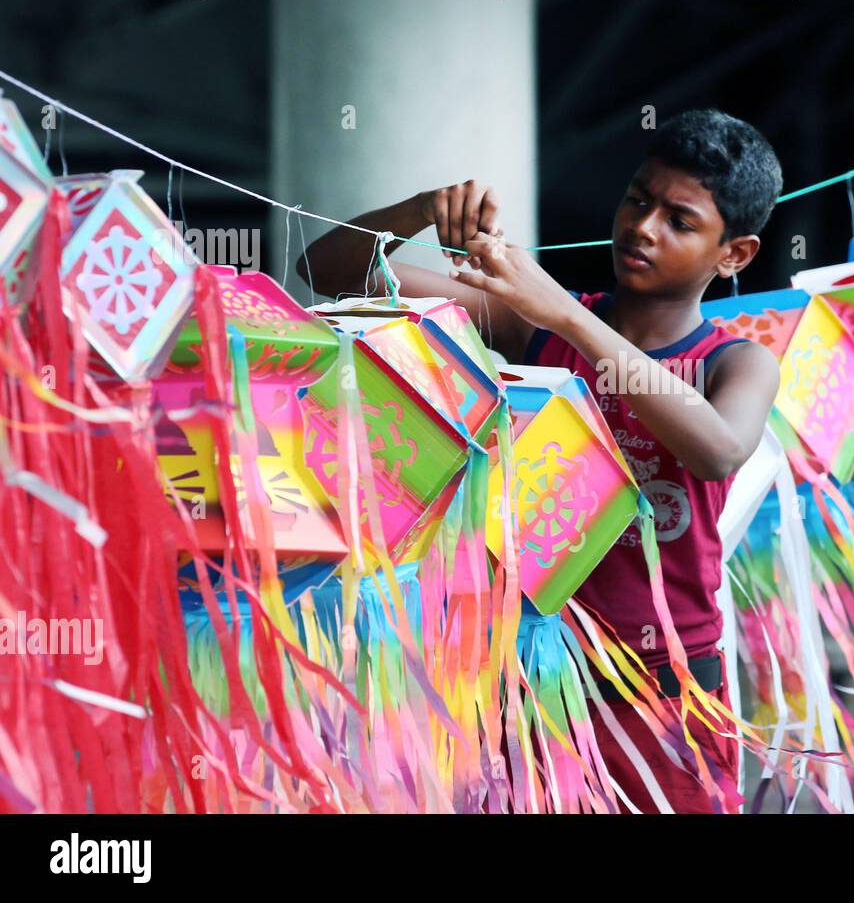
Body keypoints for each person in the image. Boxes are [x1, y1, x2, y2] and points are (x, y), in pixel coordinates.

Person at [300, 108, 783, 812]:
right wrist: (422, 210)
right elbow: (326, 271)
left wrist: (565, 315)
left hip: (666, 694)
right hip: (528, 685)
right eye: (638, 200)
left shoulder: (734, 362)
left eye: (680, 221)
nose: (644, 227)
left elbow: (716, 450)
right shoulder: (532, 323)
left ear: (734, 254)